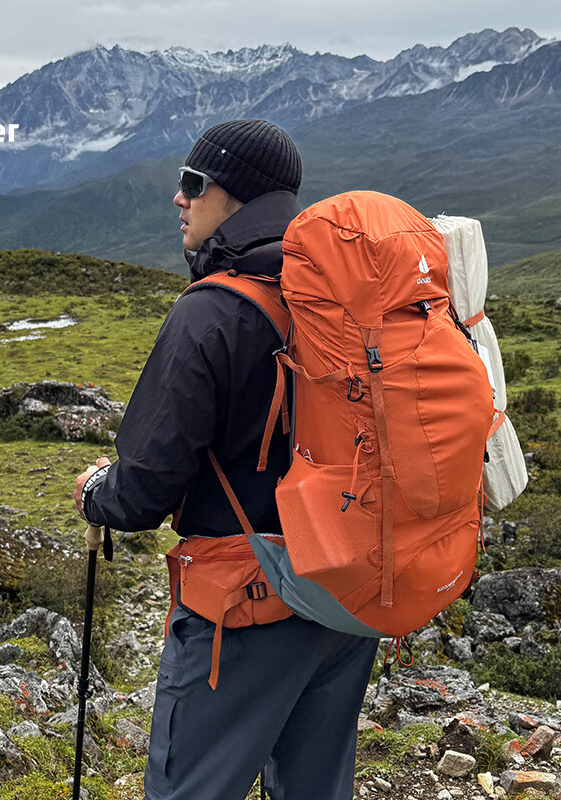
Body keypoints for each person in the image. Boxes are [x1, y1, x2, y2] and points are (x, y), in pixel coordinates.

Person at [74, 119, 379, 800]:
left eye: (192, 184)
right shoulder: (344, 300)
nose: (178, 200)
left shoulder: (211, 313)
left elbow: (145, 490)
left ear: (232, 195)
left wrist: (97, 491)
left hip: (246, 608)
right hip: (347, 595)